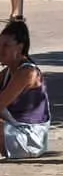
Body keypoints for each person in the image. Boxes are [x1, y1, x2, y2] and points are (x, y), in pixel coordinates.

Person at [0, 18, 50, 160]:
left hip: (30, 139)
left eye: (6, 46)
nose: (0, 50)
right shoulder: (9, 72)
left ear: (20, 47)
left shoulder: (27, 73)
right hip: (15, 131)